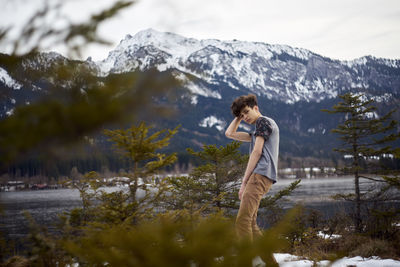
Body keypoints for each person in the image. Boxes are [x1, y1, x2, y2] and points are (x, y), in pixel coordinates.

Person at [225, 93, 280, 243]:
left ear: (256, 108)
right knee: (250, 223)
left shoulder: (263, 122)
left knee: (242, 222)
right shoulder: (259, 130)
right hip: (263, 176)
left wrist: (244, 182)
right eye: (242, 115)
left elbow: (257, 152)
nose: (245, 117)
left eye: (247, 112)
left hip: (259, 176)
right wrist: (239, 116)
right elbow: (229, 134)